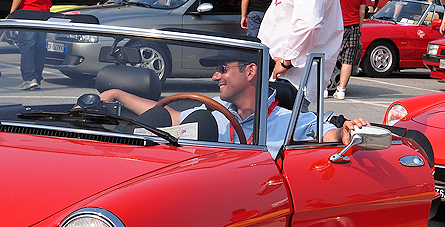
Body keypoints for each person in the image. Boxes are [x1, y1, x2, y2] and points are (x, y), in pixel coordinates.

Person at [99, 51, 368, 157]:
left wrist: (346, 131)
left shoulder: (288, 120)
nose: (215, 76)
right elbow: (170, 116)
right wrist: (118, 94)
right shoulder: (212, 110)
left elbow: (328, 134)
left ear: (250, 72)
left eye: (223, 68)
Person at [329, 0, 371, 101]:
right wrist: (359, 27)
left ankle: (325, 88)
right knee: (347, 59)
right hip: (353, 26)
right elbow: (362, 12)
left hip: (336, 25)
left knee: (331, 56)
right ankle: (341, 90)